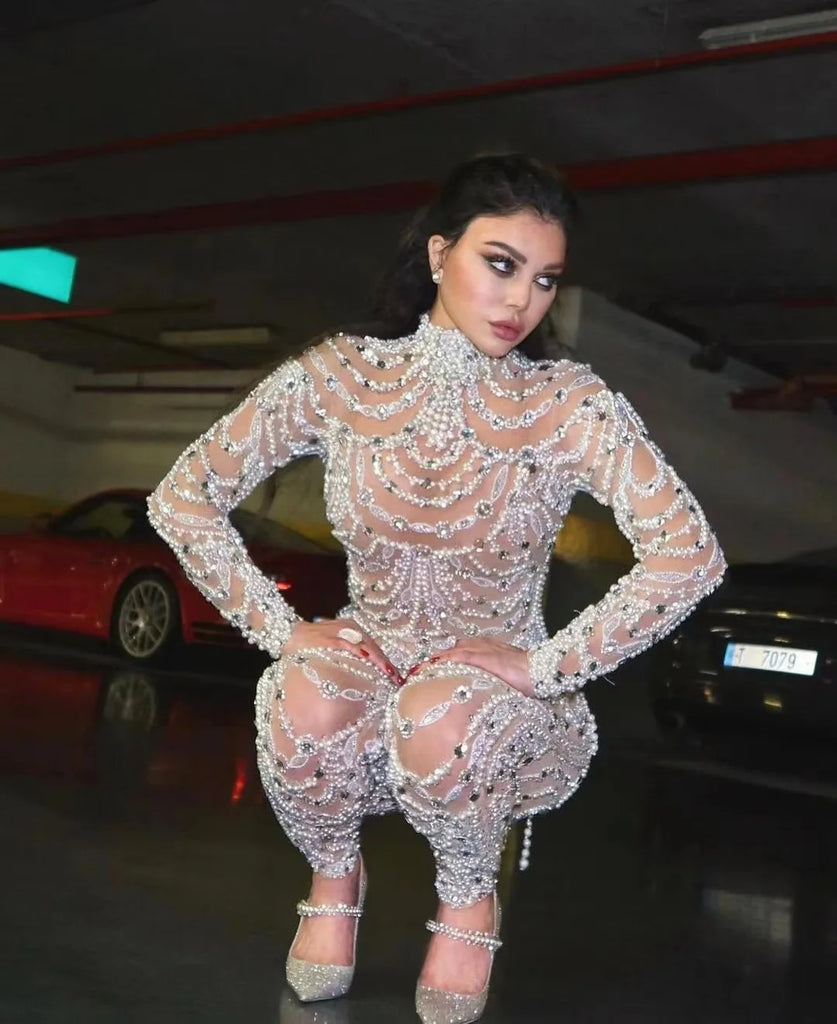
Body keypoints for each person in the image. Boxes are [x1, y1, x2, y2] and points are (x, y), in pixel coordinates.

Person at [147, 153, 726, 1024]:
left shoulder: (567, 401)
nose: (521, 300)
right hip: (370, 654)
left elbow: (688, 553)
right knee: (301, 694)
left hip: (486, 689)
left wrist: (544, 665)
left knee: (435, 715)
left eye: (544, 279)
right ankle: (333, 879)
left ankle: (467, 896)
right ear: (437, 254)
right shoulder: (339, 375)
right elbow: (183, 496)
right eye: (500, 264)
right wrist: (279, 626)